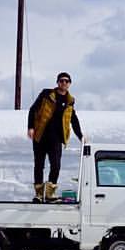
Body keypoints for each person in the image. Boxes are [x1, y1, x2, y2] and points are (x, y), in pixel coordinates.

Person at [27, 71, 83, 202]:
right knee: (39, 165)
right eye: (61, 80)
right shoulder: (47, 94)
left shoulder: (70, 101)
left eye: (66, 81)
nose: (64, 83)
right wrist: (30, 127)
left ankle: (50, 193)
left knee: (56, 165)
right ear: (57, 82)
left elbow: (73, 119)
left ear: (69, 84)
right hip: (41, 136)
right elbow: (32, 110)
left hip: (56, 139)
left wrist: (80, 136)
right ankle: (39, 194)